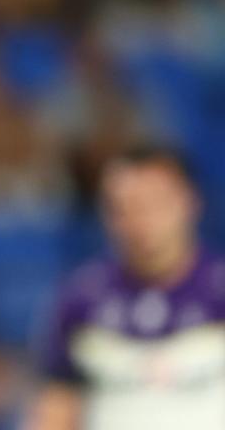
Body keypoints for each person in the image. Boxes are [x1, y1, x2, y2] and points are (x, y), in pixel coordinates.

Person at [24, 147, 225, 430]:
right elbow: (56, 409)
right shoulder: (80, 298)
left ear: (189, 202)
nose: (139, 223)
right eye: (122, 209)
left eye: (153, 204)